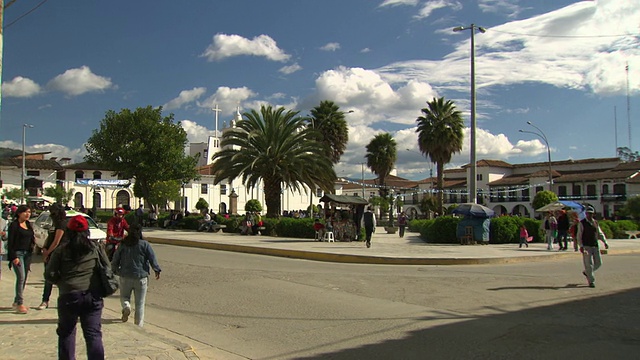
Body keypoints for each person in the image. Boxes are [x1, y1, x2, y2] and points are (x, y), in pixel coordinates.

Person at [45, 214, 108, 359]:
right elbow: (106, 269)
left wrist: (62, 281)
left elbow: (49, 274)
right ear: (87, 232)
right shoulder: (95, 248)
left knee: (66, 333)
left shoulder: (61, 250)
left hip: (69, 295)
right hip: (92, 296)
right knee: (93, 334)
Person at [111, 224, 161, 327]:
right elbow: (152, 258)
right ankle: (138, 326)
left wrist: (114, 270)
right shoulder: (144, 244)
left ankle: (126, 306)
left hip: (125, 276)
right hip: (141, 277)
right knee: (140, 304)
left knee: (124, 297)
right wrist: (156, 269)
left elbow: (115, 259)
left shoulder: (123, 244)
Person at [38, 203, 68, 310]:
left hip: (58, 254)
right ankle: (45, 300)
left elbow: (56, 241)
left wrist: (48, 252)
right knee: (48, 278)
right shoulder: (53, 223)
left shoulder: (62, 224)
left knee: (60, 279)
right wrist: (44, 248)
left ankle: (63, 301)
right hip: (50, 252)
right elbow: (50, 237)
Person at [7, 205, 35, 314]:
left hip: (27, 254)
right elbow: (10, 243)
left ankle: (16, 301)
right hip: (18, 254)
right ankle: (20, 303)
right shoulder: (14, 225)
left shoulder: (28, 225)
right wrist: (13, 257)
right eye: (25, 212)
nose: (28, 214)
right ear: (19, 213)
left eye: (29, 212)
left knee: (24, 278)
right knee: (21, 277)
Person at [577, 207, 609, 288]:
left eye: (591, 213)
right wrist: (581, 246)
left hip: (595, 245)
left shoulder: (595, 223)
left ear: (593, 214)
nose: (589, 215)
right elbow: (579, 236)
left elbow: (600, 233)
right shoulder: (582, 223)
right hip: (586, 246)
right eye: (587, 213)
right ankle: (591, 281)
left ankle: (587, 272)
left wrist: (605, 242)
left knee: (598, 263)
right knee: (589, 264)